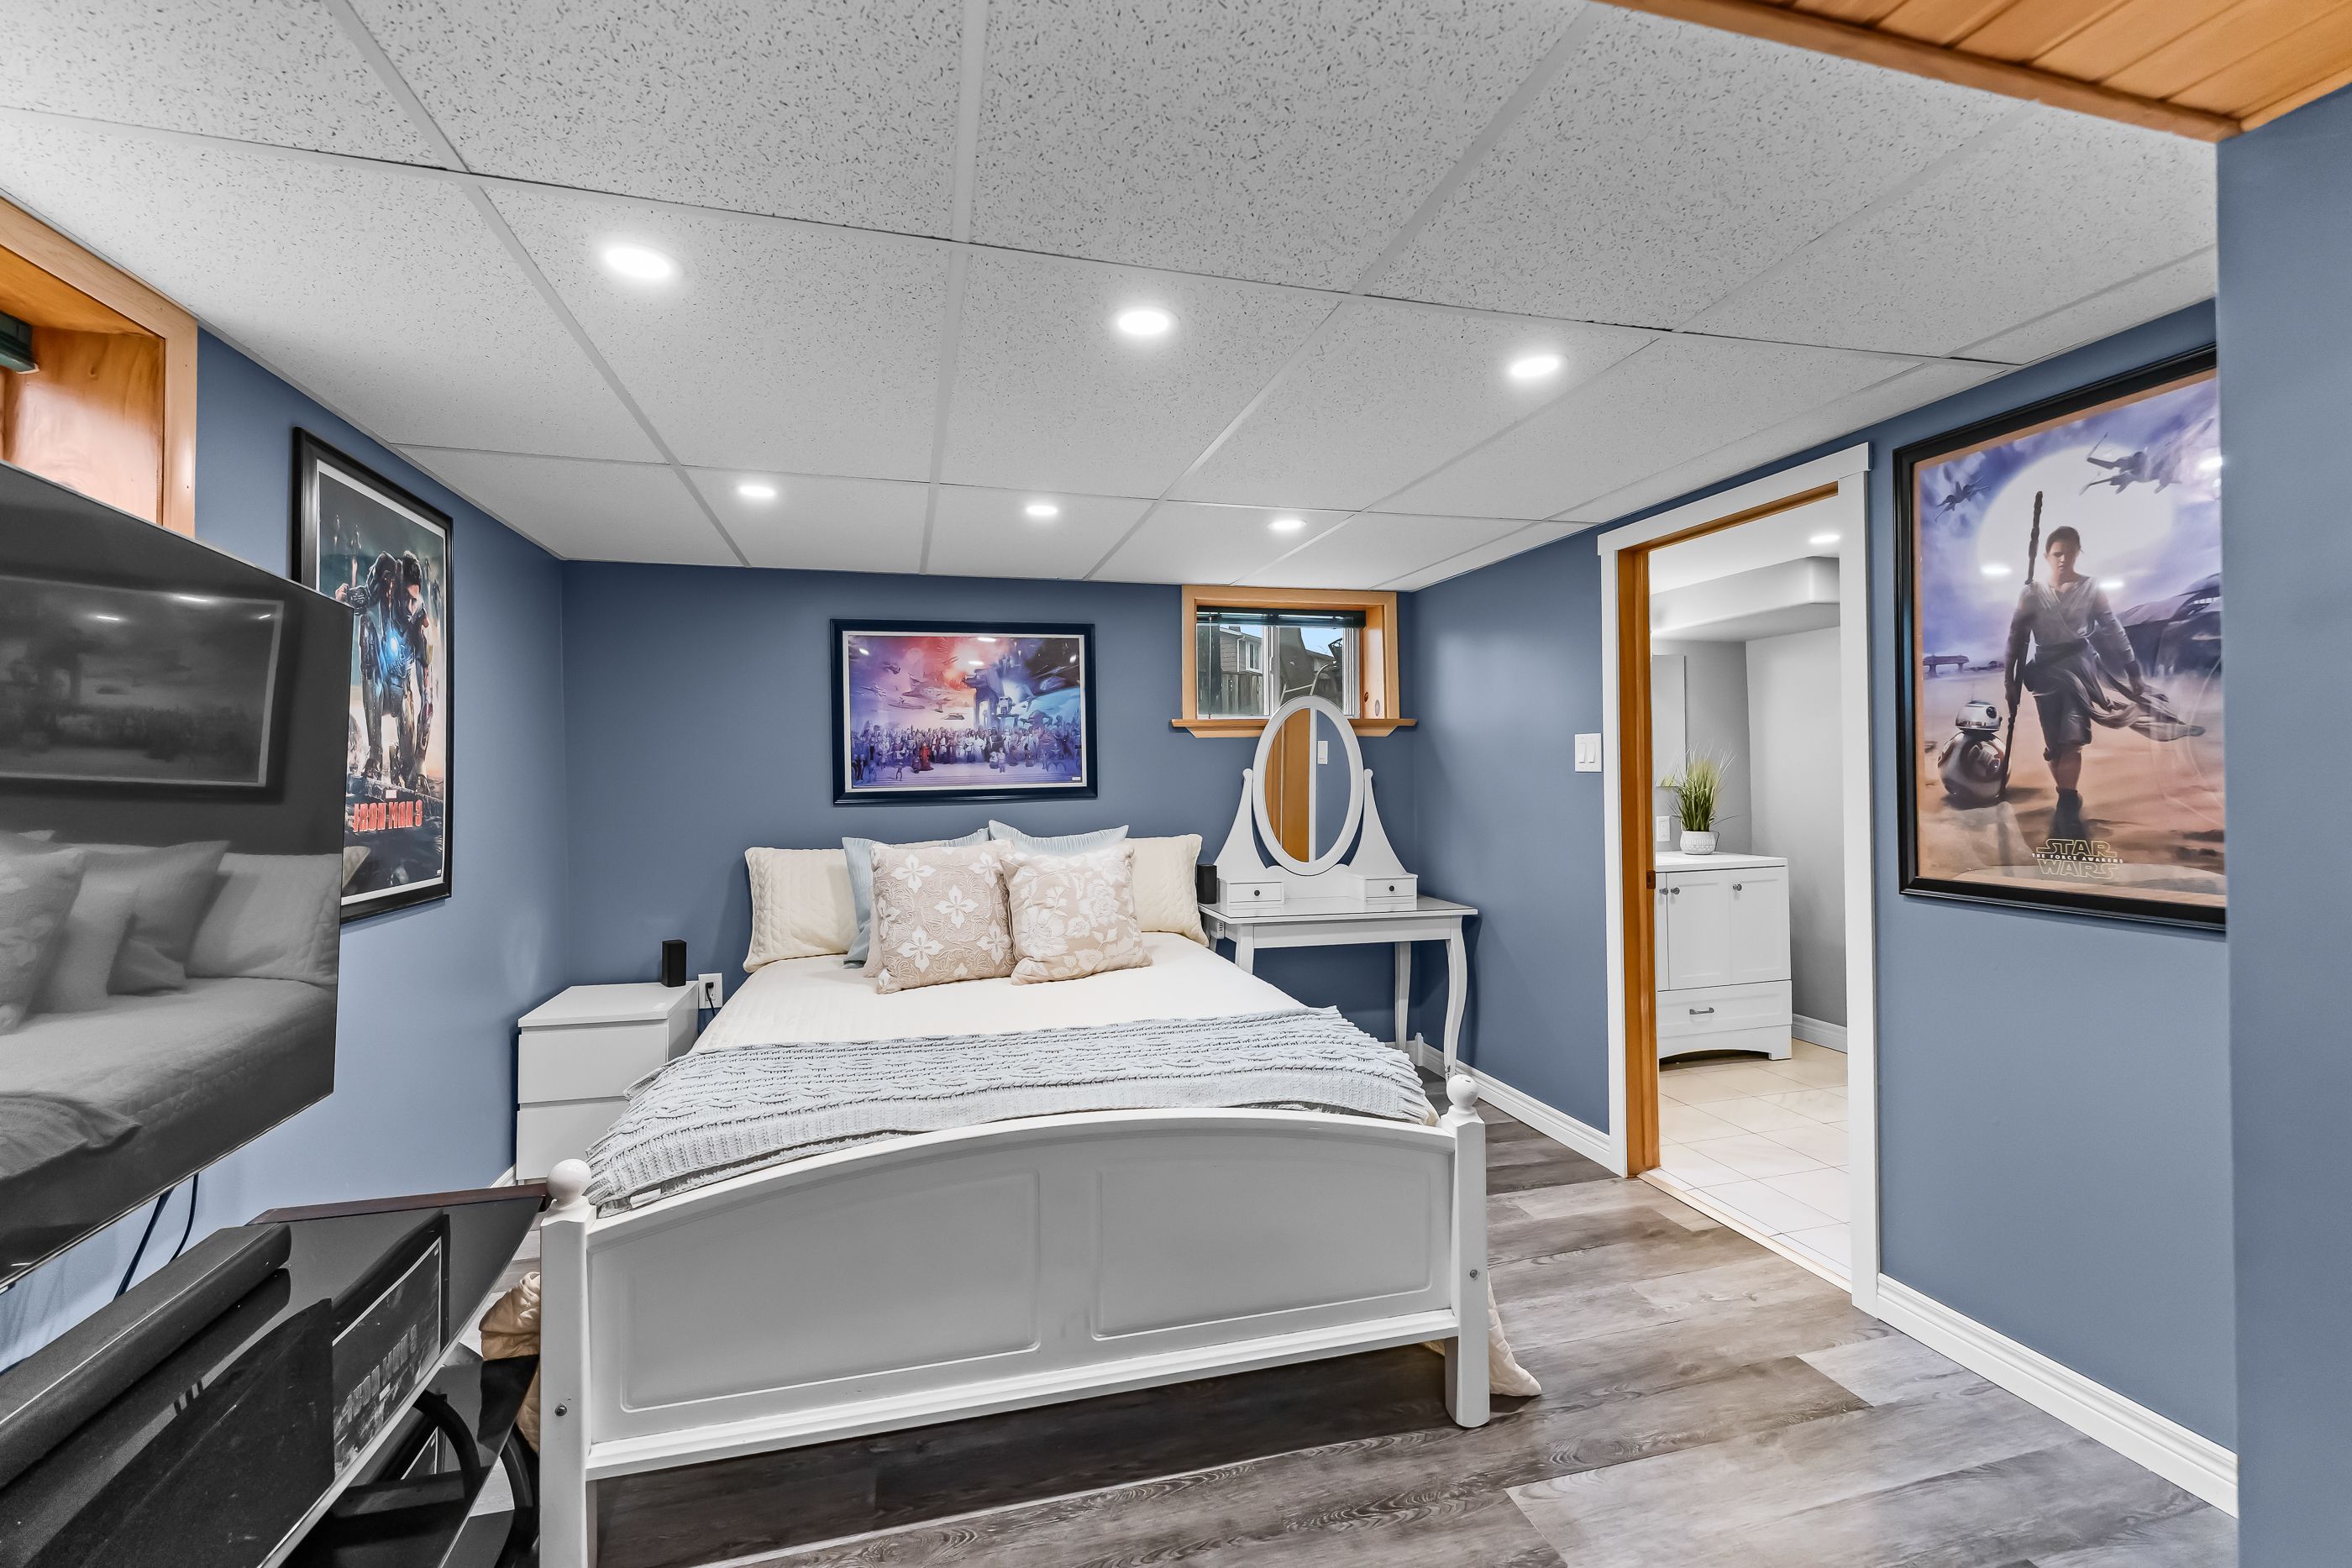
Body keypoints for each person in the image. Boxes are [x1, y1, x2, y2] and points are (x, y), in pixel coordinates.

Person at [2003, 524, 2185, 842]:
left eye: (2070, 553)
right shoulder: (2030, 592)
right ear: (2046, 556)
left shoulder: (2091, 589)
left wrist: (2133, 671)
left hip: (2079, 669)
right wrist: (2009, 679)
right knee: (2054, 746)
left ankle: (2067, 806)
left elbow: (2114, 630)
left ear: (2078, 553)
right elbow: (2016, 637)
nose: (2063, 559)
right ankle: (2067, 797)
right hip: (2045, 672)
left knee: (2072, 739)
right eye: (2057, 554)